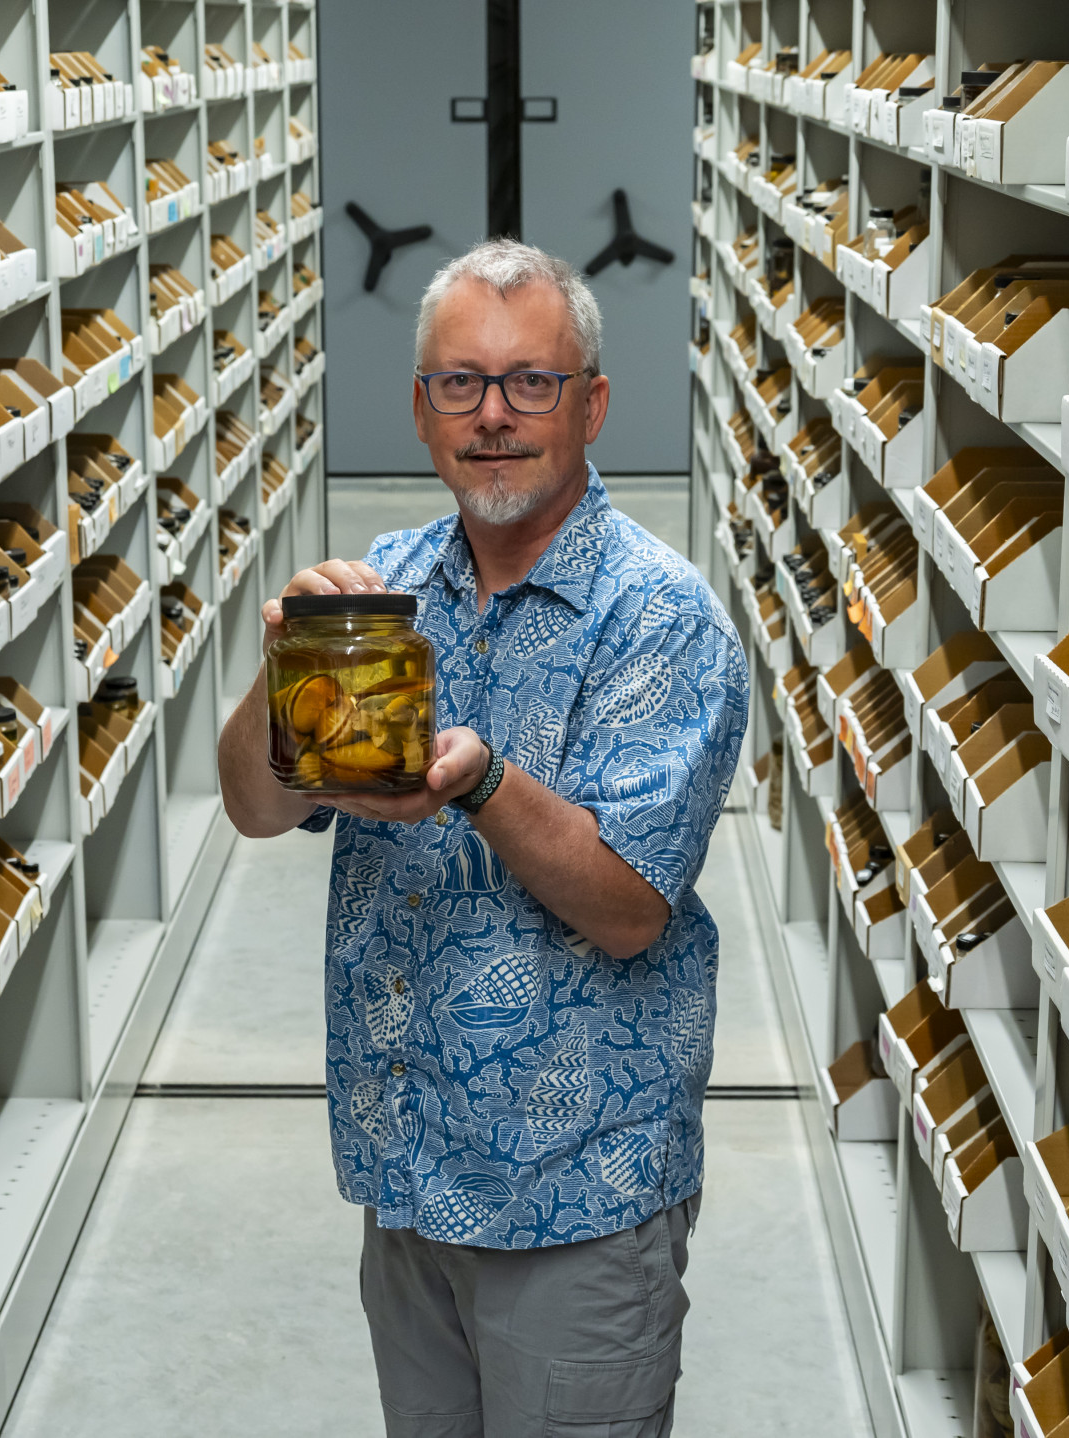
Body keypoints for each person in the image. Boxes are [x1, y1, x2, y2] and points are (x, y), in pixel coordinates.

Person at [217, 237, 748, 1437]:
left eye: (530, 382)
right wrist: (282, 676)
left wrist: (482, 782)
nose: (492, 415)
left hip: (576, 1196)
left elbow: (626, 908)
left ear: (591, 404)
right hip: (406, 1171)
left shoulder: (662, 618)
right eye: (459, 382)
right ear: (420, 409)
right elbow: (256, 805)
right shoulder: (384, 590)